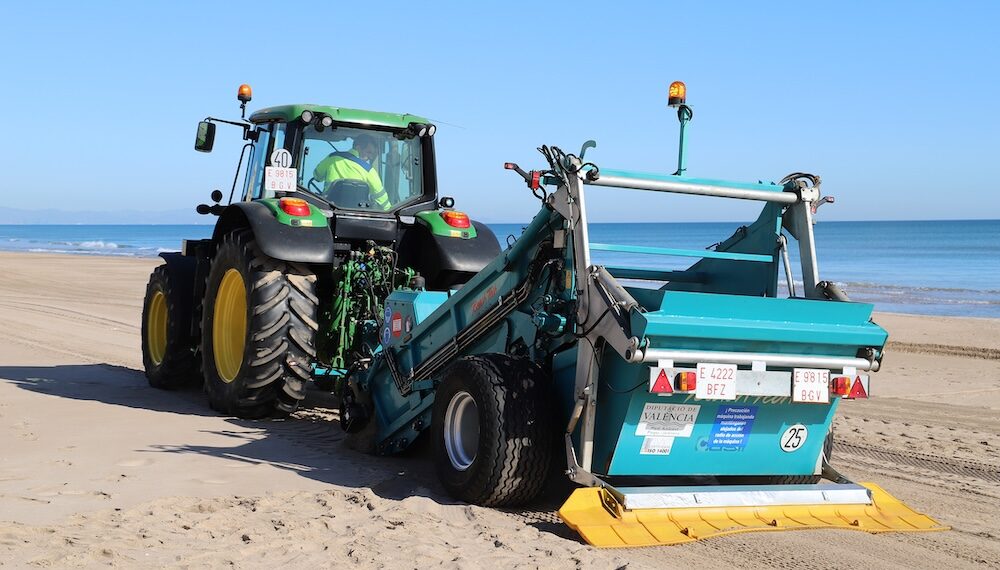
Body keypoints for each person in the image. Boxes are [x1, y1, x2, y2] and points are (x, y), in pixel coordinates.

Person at [313, 134, 391, 210]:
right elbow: (382, 200)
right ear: (358, 148)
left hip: (329, 209)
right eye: (369, 152)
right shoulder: (369, 171)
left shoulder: (332, 158)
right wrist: (389, 211)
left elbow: (317, 176)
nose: (370, 157)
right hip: (358, 214)